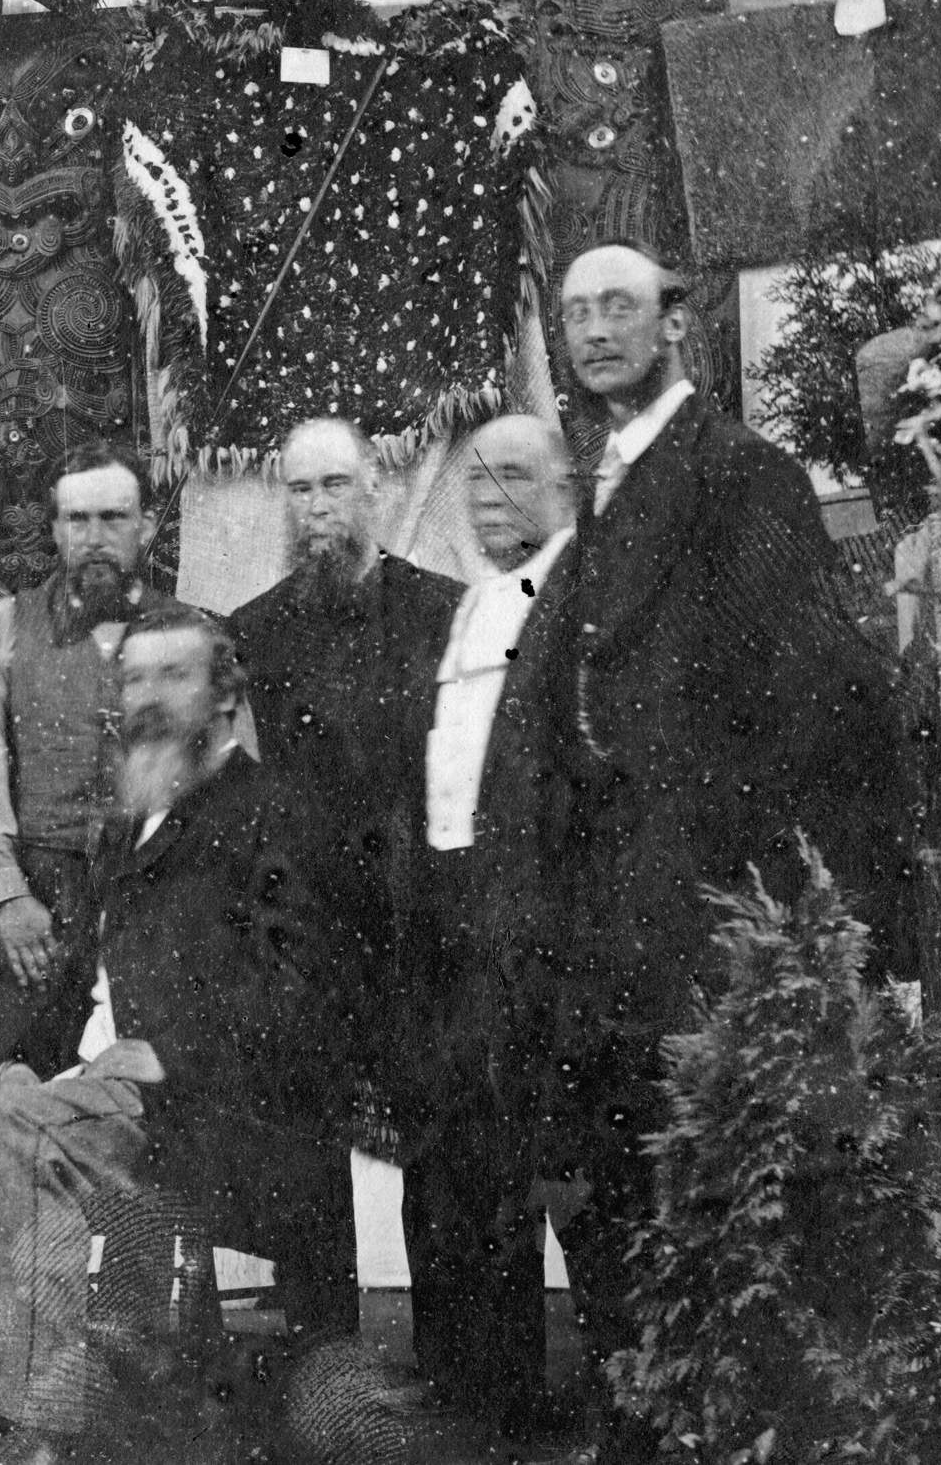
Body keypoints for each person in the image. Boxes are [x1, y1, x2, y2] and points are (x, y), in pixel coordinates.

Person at [523, 247, 923, 1414]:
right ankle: (643, 1417)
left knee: (711, 1195)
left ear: (676, 328)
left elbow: (814, 696)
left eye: (620, 307)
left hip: (700, 903)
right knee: (618, 1180)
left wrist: (733, 868)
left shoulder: (740, 471)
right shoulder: (600, 482)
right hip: (611, 908)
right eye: (578, 312)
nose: (597, 330)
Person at [0, 608, 351, 1465]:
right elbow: (81, 980)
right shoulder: (133, 819)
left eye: (174, 676)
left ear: (226, 694)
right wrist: (21, 1061)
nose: (148, 700)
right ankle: (3, 1379)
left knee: (19, 1133)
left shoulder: (277, 811)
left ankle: (36, 1427)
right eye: (134, 680)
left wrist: (175, 1054)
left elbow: (311, 988)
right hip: (89, 1096)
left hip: (209, 1108)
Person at [225, 417, 462, 1304]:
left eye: (333, 485)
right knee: (307, 1147)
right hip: (315, 930)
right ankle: (317, 1361)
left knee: (438, 1148)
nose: (317, 506)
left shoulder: (443, 609)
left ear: (375, 490)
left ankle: (460, 1374)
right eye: (300, 488)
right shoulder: (253, 631)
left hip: (420, 920)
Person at [398, 412, 581, 1430]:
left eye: (513, 476)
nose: (488, 496)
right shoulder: (471, 604)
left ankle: (515, 1400)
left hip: (534, 915)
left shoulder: (576, 594)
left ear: (561, 485)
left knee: (523, 1161)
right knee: (450, 1156)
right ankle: (457, 1385)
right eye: (477, 478)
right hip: (452, 912)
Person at [0, 443, 189, 1085]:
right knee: (11, 1087)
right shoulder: (5, 627)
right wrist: (8, 895)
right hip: (36, 897)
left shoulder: (192, 635)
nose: (96, 538)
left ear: (147, 523)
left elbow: (224, 788)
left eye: (114, 518)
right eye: (78, 521)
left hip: (151, 895)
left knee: (136, 1098)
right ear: (54, 528)